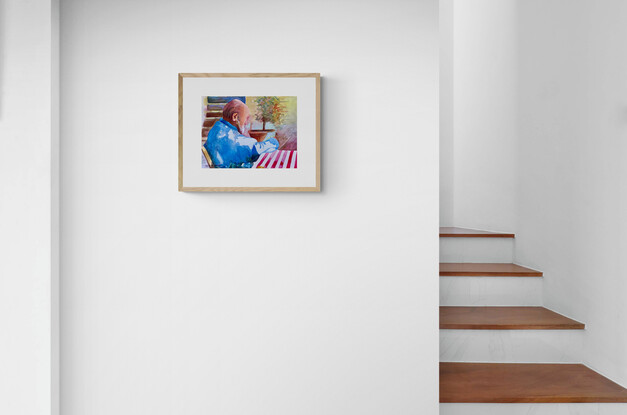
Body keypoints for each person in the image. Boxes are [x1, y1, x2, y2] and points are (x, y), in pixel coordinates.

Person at [203, 99, 279, 168]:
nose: (246, 123)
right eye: (246, 118)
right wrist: (274, 141)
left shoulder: (217, 128)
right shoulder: (231, 138)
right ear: (235, 117)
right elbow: (256, 149)